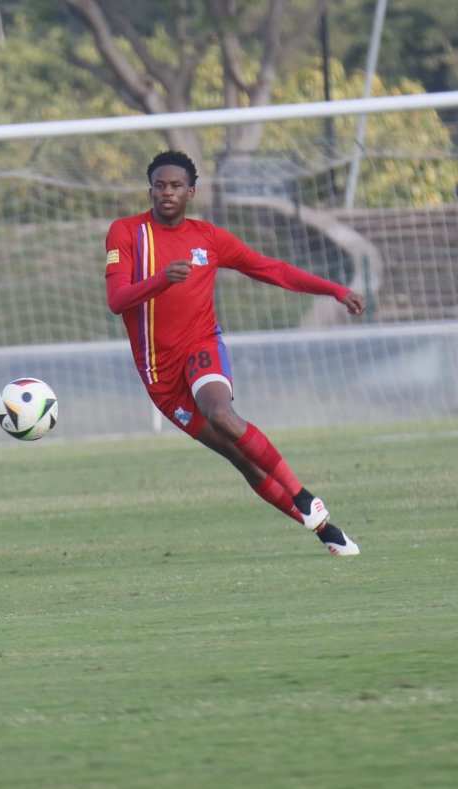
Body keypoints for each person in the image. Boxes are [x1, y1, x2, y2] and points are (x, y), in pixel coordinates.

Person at [105, 151, 366, 556]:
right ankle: (326, 532)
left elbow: (272, 269)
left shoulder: (209, 239)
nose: (167, 193)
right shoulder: (126, 233)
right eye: (159, 185)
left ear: (191, 193)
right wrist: (160, 279)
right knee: (237, 456)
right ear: (150, 190)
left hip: (201, 345)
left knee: (221, 414)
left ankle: (302, 495)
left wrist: (335, 290)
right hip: (160, 376)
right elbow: (117, 300)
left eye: (176, 186)